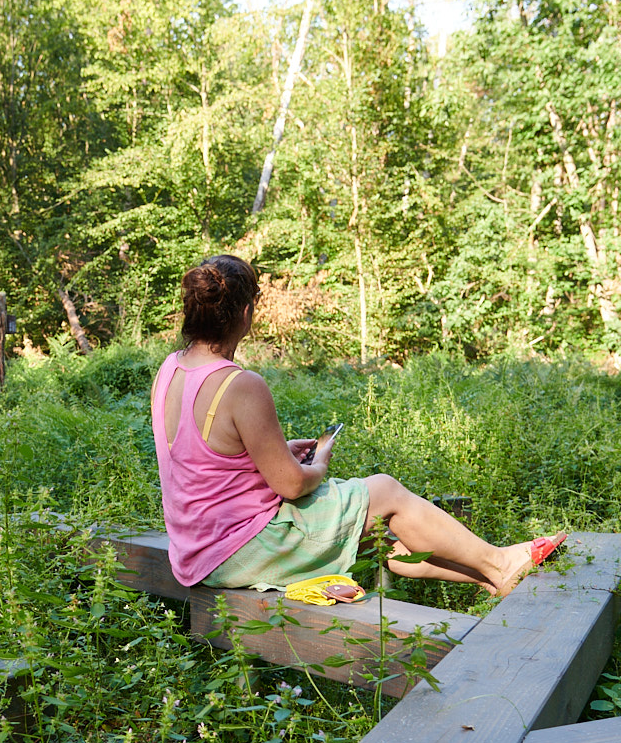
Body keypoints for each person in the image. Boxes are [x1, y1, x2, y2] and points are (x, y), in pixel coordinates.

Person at [151, 253, 565, 599]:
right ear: (246, 313)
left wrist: (275, 451)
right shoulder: (241, 384)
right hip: (242, 549)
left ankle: (494, 575)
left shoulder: (170, 369)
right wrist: (320, 462)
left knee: (387, 534)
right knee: (383, 490)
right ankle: (500, 563)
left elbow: (201, 458)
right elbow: (293, 486)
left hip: (196, 550)